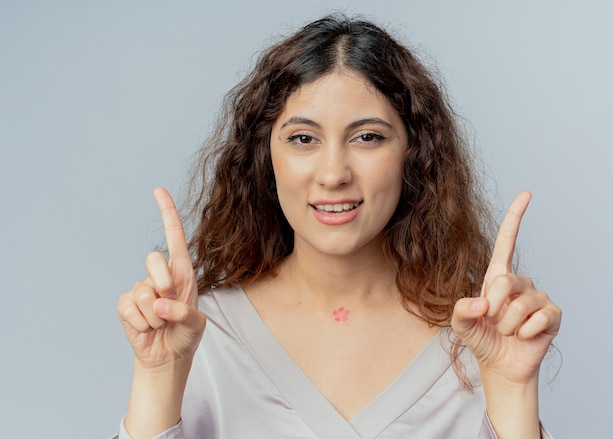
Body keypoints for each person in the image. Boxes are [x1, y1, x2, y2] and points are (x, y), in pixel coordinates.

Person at [115, 15, 561, 439]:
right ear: (264, 157)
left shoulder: (482, 338)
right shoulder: (199, 332)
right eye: (303, 138)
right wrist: (159, 375)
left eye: (367, 137)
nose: (333, 174)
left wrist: (513, 388)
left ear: (415, 153)